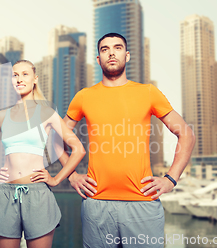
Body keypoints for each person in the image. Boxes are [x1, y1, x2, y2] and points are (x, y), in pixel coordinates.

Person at [59, 33, 195, 247]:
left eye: (117, 47)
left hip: (142, 205)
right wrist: (72, 176)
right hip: (96, 205)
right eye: (105, 49)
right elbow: (55, 138)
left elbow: (186, 134)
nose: (111, 53)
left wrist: (171, 179)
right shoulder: (84, 96)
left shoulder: (148, 92)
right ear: (98, 59)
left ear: (127, 55)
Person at [0, 60, 86, 248]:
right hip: (5, 194)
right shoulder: (1, 115)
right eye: (15, 75)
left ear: (35, 79)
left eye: (25, 74)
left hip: (38, 195)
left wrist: (56, 179)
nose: (19, 79)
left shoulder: (47, 113)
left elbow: (79, 149)